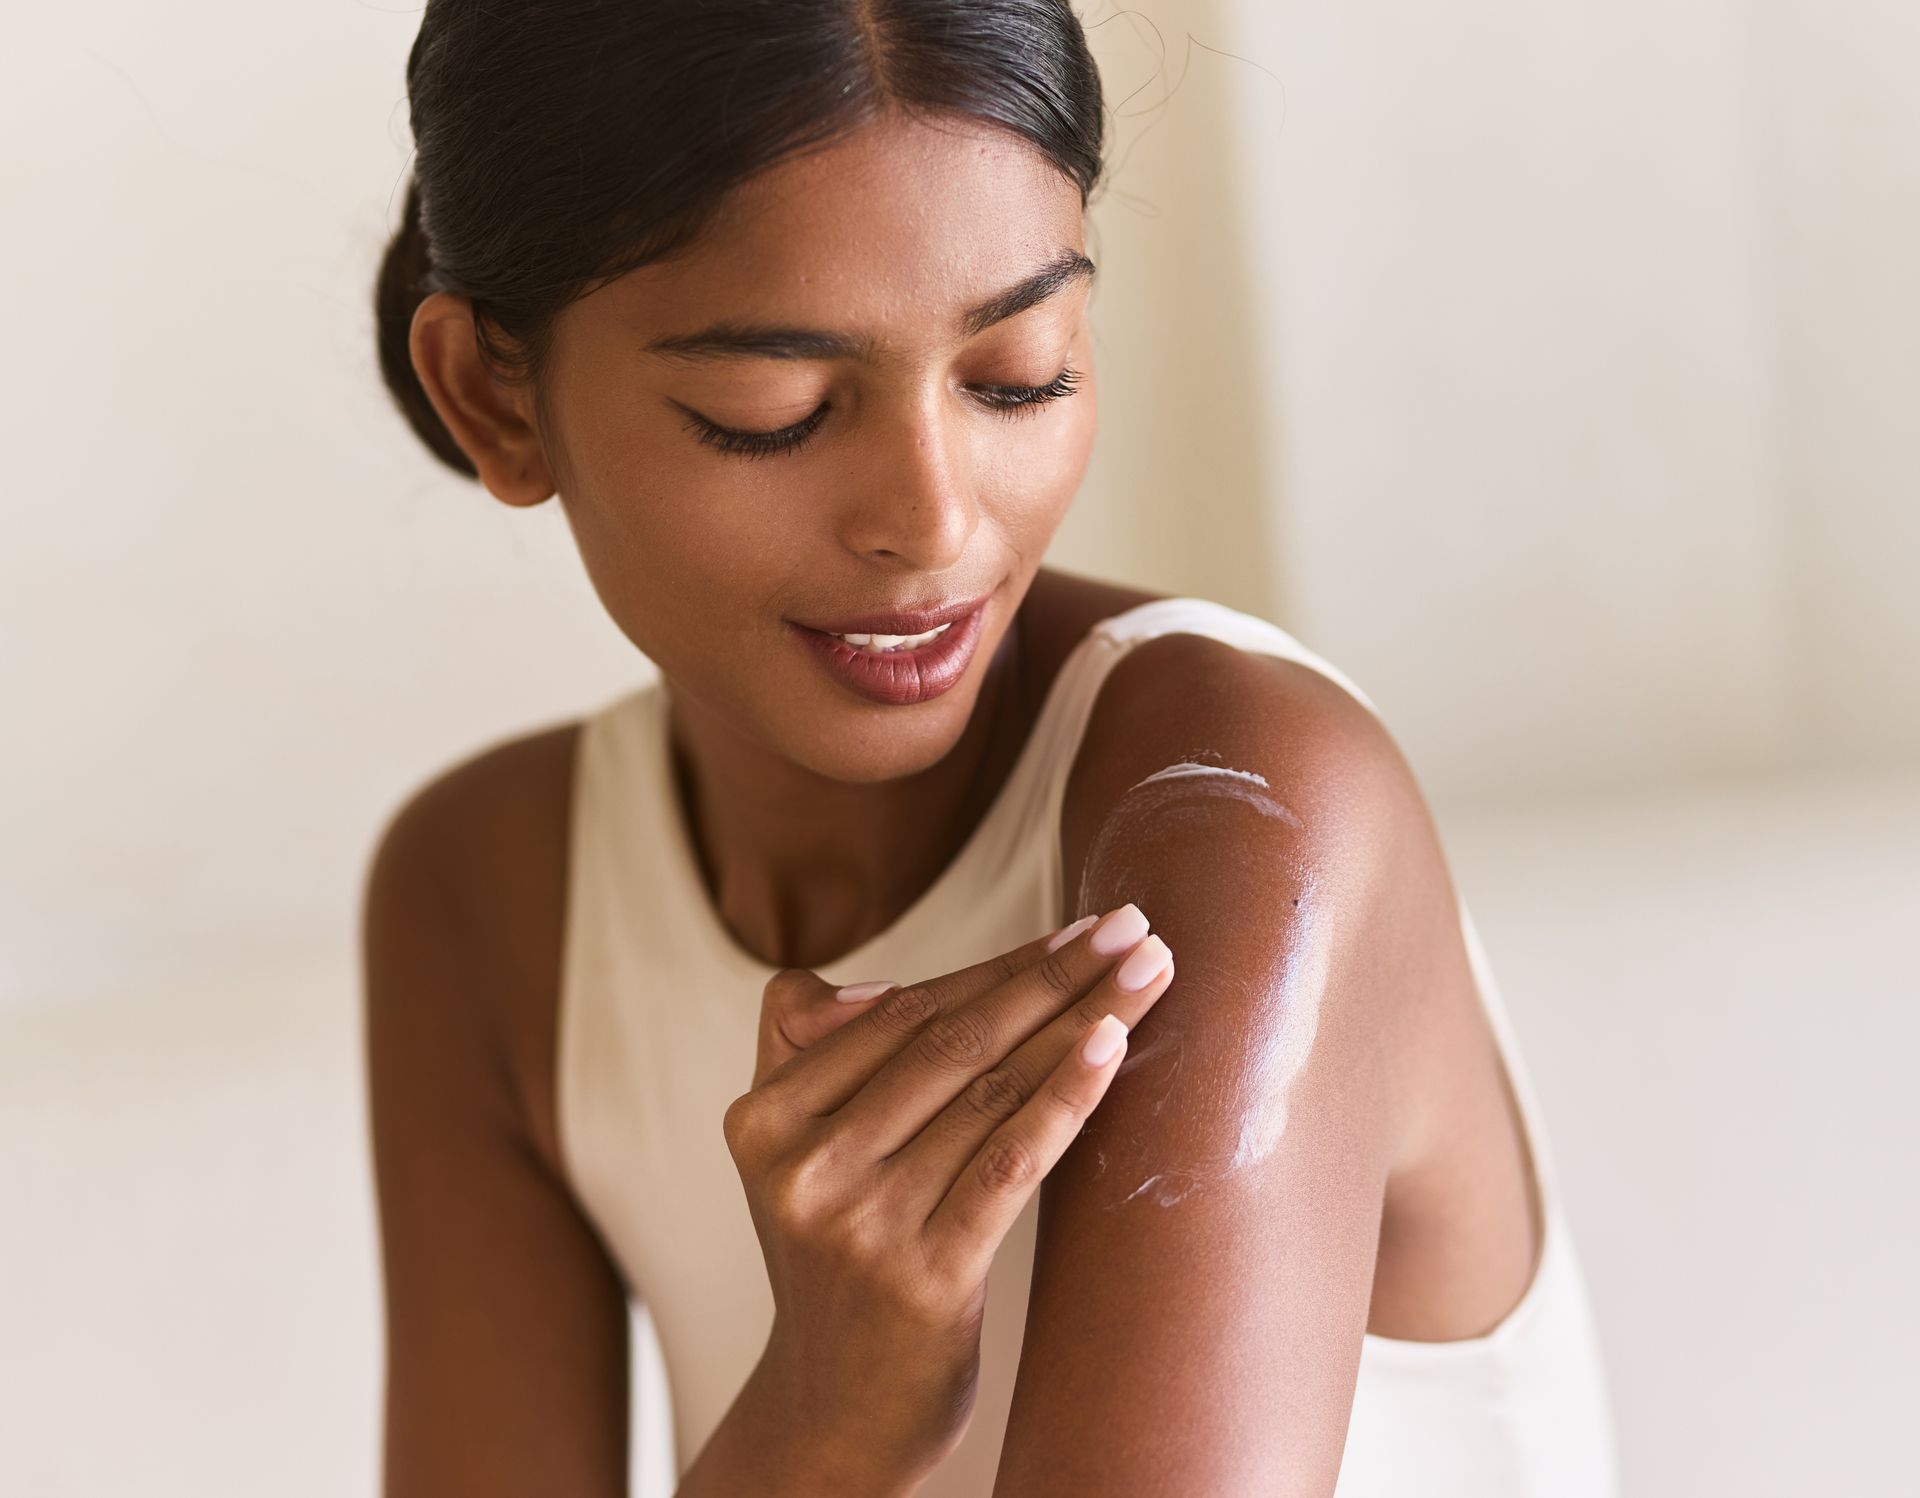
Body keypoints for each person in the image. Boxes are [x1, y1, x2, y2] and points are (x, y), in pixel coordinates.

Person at [361, 3, 1620, 1494]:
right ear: (497, 397)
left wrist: (827, 1427)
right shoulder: (489, 897)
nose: (936, 519)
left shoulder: (1249, 808)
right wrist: (830, 1409)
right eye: (773, 412)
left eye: (1018, 370)